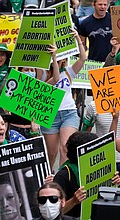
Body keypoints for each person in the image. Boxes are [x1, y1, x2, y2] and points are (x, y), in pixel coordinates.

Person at [44, 131, 120, 218]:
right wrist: (74, 201)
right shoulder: (64, 176)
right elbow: (54, 213)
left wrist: (115, 183)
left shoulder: (101, 166)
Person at [40, 29, 86, 169]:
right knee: (51, 153)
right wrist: (54, 59)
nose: (60, 59)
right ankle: (47, 178)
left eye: (61, 57)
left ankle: (62, 180)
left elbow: (83, 58)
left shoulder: (69, 72)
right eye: (57, 57)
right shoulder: (42, 76)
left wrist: (78, 38)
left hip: (69, 113)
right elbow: (56, 79)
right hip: (50, 115)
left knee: (65, 149)